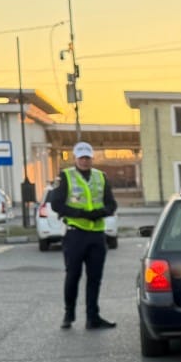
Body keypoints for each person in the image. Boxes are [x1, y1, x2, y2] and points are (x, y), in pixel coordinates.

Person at [47, 141, 117, 330]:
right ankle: (69, 314)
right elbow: (56, 204)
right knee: (73, 275)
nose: (85, 161)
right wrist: (80, 214)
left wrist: (101, 212)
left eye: (87, 157)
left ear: (92, 158)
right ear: (75, 158)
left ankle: (93, 318)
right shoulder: (65, 176)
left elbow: (111, 204)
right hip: (75, 234)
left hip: (97, 234)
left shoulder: (101, 177)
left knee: (95, 278)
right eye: (81, 157)